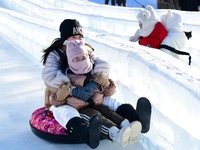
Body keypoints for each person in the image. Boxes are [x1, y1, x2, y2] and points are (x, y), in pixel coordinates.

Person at [41, 19, 151, 148]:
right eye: (72, 37)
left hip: (92, 93)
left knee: (111, 103)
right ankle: (85, 131)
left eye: (79, 36)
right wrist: (71, 88)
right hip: (66, 96)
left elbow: (102, 64)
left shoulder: (85, 48)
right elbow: (50, 75)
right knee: (66, 112)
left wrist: (95, 81)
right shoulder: (56, 54)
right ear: (64, 39)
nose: (76, 40)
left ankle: (136, 120)